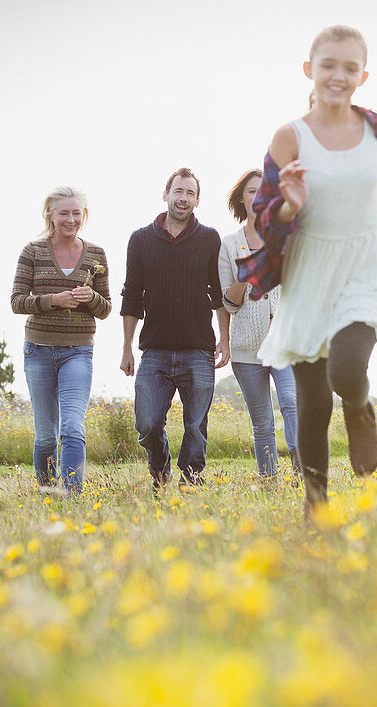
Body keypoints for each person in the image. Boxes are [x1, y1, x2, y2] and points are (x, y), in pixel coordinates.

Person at [237, 25, 377, 518]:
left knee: (346, 369)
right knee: (313, 401)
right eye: (328, 65)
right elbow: (266, 212)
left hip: (363, 265)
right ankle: (317, 507)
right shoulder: (289, 136)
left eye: (349, 67)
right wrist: (291, 206)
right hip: (309, 271)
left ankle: (359, 410)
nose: (339, 76)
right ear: (309, 71)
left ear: (363, 75)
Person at [120, 168, 231, 490]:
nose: (183, 199)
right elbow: (131, 295)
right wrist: (127, 346)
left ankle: (191, 480)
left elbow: (219, 293)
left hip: (198, 349)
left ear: (197, 201)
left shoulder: (209, 238)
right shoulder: (141, 240)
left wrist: (223, 337)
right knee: (147, 422)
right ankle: (160, 465)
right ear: (165, 194)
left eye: (190, 194)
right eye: (178, 191)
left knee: (195, 425)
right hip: (154, 351)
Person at [10, 186, 111, 495]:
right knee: (45, 435)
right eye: (64, 213)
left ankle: (70, 495)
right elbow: (16, 302)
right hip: (38, 350)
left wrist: (91, 297)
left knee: (71, 427)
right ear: (50, 216)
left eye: (76, 213)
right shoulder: (33, 251)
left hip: (78, 352)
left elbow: (105, 309)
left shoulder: (96, 254)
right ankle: (46, 491)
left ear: (84, 215)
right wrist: (53, 299)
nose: (70, 219)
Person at [219, 169, 300, 479]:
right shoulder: (229, 244)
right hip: (246, 348)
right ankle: (269, 480)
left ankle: (300, 465)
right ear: (243, 198)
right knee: (263, 422)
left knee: (291, 402)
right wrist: (245, 276)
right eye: (252, 191)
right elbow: (229, 303)